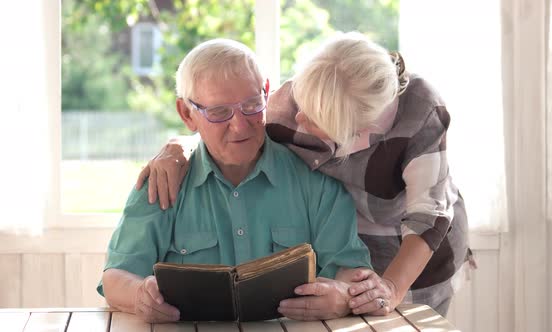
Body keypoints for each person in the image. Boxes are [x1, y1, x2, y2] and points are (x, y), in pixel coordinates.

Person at [137, 32, 473, 318]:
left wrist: (392, 290)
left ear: (363, 133)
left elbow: (428, 216)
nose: (302, 125)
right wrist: (179, 147)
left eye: (320, 124)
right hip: (352, 244)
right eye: (303, 109)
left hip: (419, 252)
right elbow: (226, 129)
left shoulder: (422, 111)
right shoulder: (292, 106)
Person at [97, 38, 374, 323]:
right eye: (219, 112)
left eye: (252, 105)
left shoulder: (316, 181)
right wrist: (139, 295)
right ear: (186, 114)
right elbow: (116, 277)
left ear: (266, 93)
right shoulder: (162, 181)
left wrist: (342, 296)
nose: (240, 125)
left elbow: (350, 273)